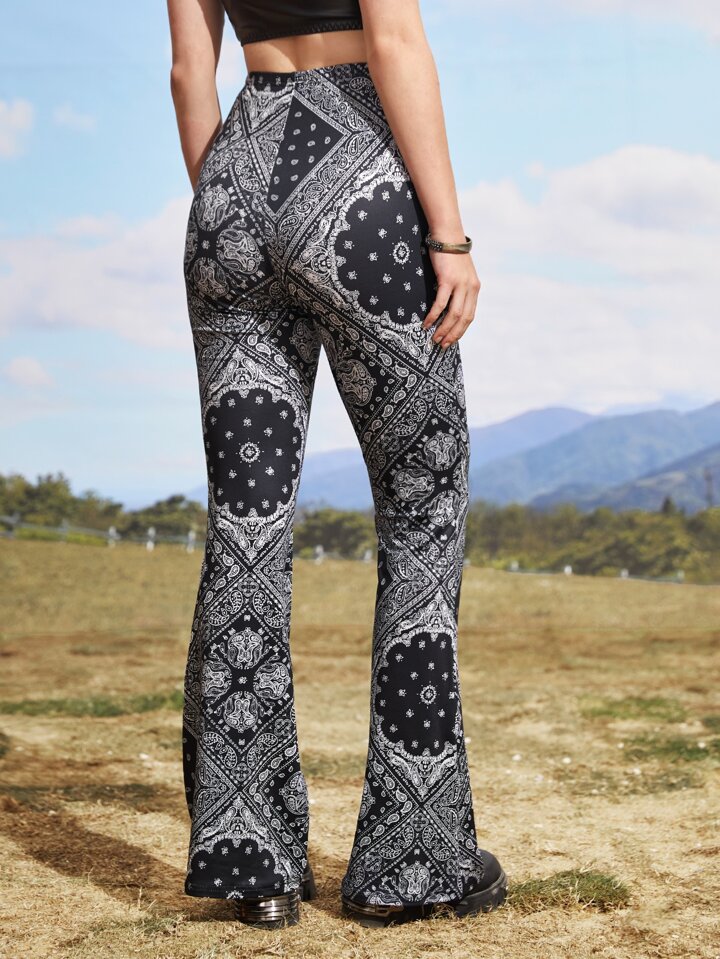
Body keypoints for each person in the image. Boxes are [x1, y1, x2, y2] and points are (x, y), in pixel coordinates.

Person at [167, 0, 508, 929]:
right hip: (358, 173)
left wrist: (241, 216)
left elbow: (191, 74)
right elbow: (394, 42)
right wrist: (449, 237)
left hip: (233, 180)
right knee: (423, 509)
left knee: (245, 530)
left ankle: (252, 860)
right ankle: (412, 859)